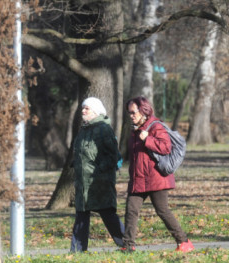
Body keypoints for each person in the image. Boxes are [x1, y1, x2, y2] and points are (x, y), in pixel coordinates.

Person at [121, 96, 194, 253]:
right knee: (131, 210)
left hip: (157, 179)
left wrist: (148, 139)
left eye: (133, 112)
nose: (131, 116)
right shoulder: (135, 131)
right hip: (139, 179)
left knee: (162, 211)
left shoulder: (156, 127)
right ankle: (127, 246)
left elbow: (165, 148)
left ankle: (184, 242)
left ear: (143, 111)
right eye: (129, 113)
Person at [70, 97, 125, 252]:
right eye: (83, 108)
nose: (83, 111)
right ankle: (77, 251)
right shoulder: (84, 130)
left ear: (95, 110)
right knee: (81, 216)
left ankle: (126, 244)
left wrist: (99, 170)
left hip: (99, 182)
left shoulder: (103, 129)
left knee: (108, 214)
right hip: (83, 182)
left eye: (86, 108)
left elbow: (112, 155)